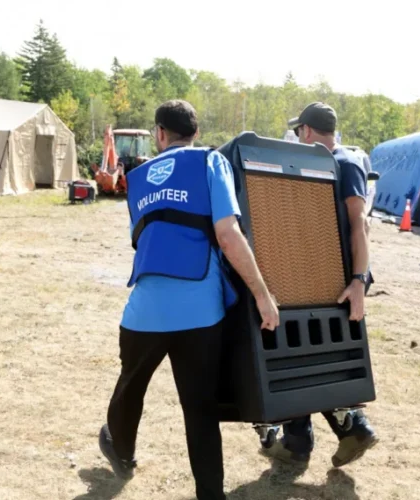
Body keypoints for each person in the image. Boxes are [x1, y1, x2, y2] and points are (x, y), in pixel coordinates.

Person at [98, 100, 280, 500]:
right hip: (201, 314)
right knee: (200, 411)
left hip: (144, 313)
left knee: (130, 388)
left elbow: (142, 240)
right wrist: (263, 295)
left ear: (160, 134)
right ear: (195, 133)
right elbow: (228, 236)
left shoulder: (140, 176)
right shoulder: (211, 163)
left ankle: (120, 450)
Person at [264, 102, 379, 468]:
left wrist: (359, 281)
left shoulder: (341, 163)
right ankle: (311, 436)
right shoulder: (327, 164)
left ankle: (325, 434)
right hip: (318, 275)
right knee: (309, 354)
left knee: (308, 355)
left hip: (339, 282)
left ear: (308, 132)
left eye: (299, 132)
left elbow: (359, 222)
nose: (298, 137)